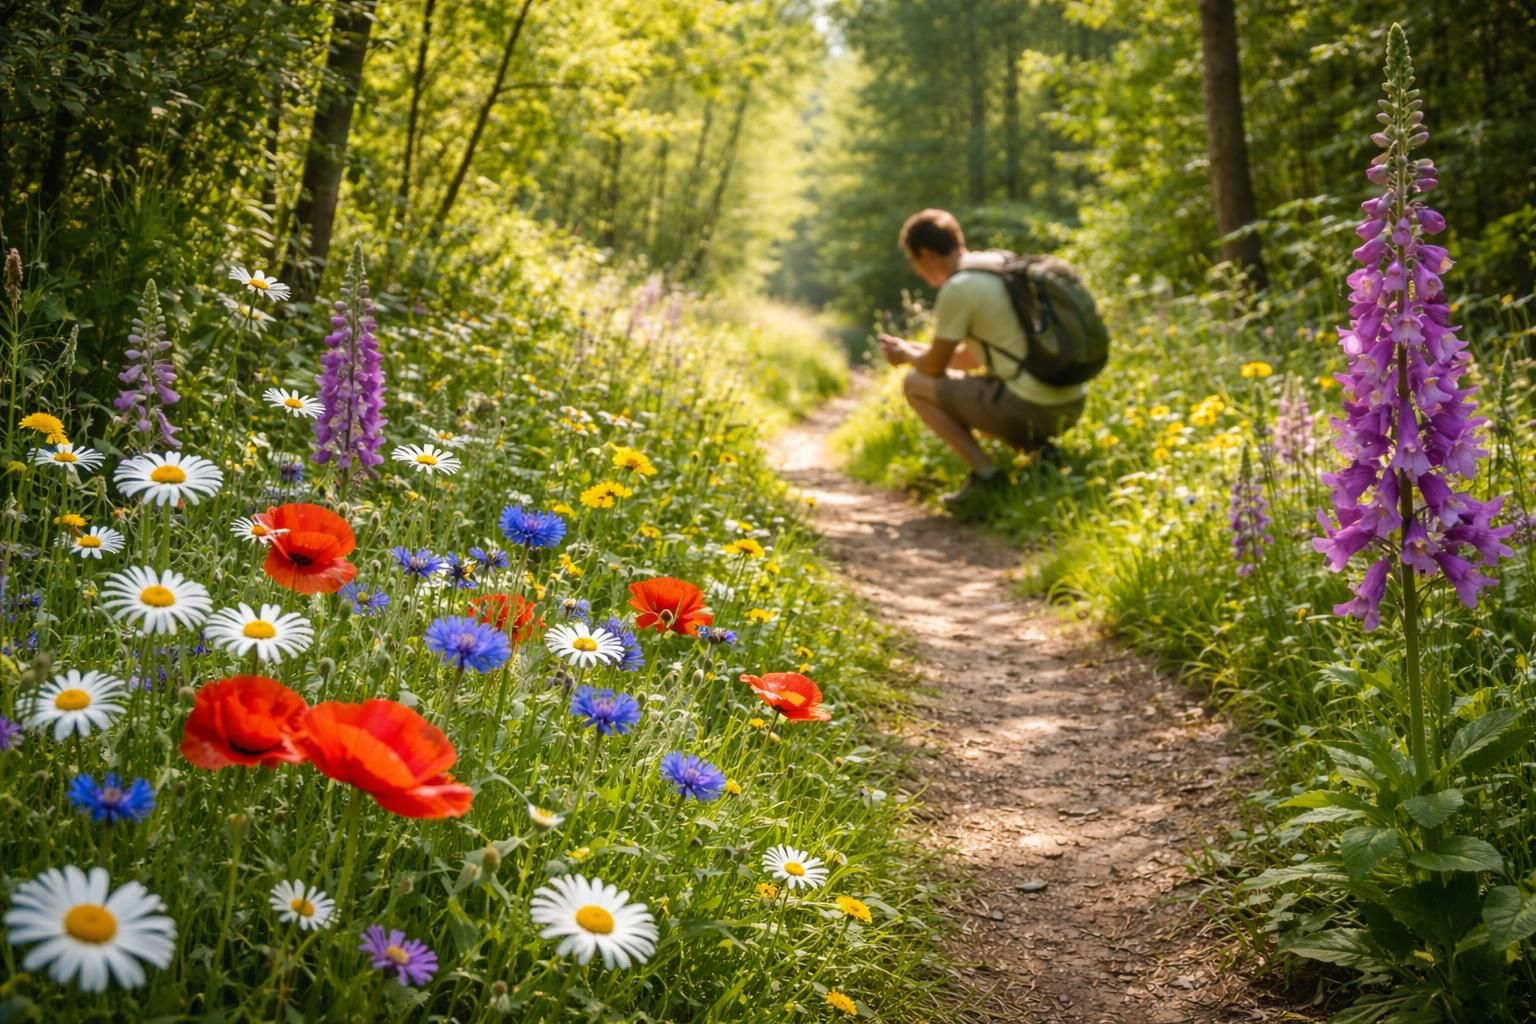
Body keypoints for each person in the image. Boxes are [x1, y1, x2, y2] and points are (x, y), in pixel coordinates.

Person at [877, 208, 1087, 511]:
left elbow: (934, 368)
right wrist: (915, 349)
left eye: (914, 261)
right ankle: (1043, 457)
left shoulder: (959, 287)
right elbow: (969, 359)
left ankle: (987, 477)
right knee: (984, 386)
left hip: (1030, 409)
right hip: (1070, 401)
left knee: (915, 384)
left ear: (926, 254)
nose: (917, 270)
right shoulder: (999, 264)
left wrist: (906, 354)